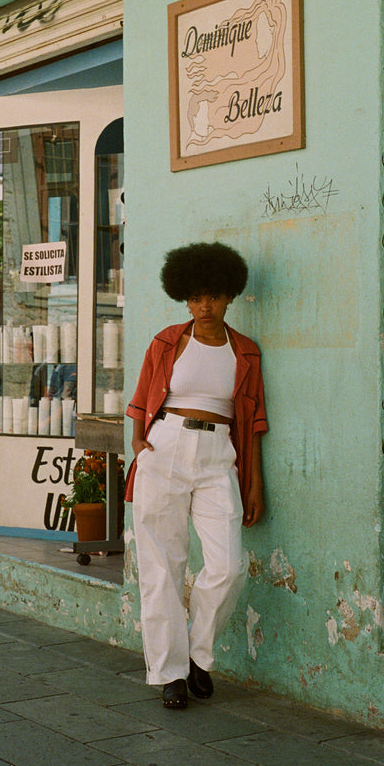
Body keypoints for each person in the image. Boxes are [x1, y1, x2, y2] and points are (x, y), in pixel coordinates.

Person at [125, 242, 267, 709]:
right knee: (162, 567)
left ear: (230, 297)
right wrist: (139, 444)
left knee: (228, 567)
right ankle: (170, 674)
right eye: (196, 297)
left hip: (217, 456)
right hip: (165, 448)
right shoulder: (167, 342)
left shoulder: (245, 352)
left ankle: (197, 655)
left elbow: (254, 423)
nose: (205, 305)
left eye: (214, 296)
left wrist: (253, 483)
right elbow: (141, 399)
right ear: (185, 299)